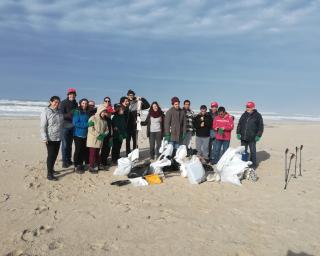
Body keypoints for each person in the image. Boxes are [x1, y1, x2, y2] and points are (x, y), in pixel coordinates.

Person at [40, 96, 64, 181]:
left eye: (58, 102)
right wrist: (44, 137)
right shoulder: (46, 111)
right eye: (55, 102)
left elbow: (62, 124)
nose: (56, 104)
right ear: (51, 102)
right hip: (50, 137)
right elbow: (43, 126)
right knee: (51, 155)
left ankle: (52, 170)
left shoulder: (59, 111)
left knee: (55, 154)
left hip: (58, 137)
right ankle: (49, 174)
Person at [236, 101, 264, 169]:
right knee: (243, 151)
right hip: (243, 137)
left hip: (252, 137)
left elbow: (261, 127)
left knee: (253, 151)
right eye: (246, 107)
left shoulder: (258, 115)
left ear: (253, 108)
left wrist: (258, 135)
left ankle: (253, 164)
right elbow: (239, 124)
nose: (247, 108)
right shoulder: (244, 114)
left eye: (248, 107)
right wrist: (238, 133)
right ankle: (244, 163)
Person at [126, 89, 150, 155]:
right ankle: (128, 154)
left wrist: (142, 98)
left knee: (135, 140)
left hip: (135, 125)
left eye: (132, 95)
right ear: (127, 96)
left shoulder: (137, 103)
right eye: (130, 95)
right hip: (127, 125)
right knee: (127, 141)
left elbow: (148, 105)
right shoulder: (126, 103)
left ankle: (135, 154)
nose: (131, 96)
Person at [86, 105, 109, 173]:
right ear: (99, 111)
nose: (104, 113)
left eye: (105, 112)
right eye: (103, 112)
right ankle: (91, 167)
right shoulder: (92, 118)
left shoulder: (104, 120)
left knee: (97, 153)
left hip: (100, 139)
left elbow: (107, 129)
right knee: (92, 154)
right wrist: (98, 135)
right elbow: (90, 128)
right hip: (93, 139)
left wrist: (104, 134)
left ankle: (98, 165)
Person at [59, 88, 78, 168]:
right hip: (65, 126)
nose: (72, 95)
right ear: (68, 95)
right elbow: (61, 115)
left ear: (75, 95)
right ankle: (64, 161)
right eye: (70, 94)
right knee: (65, 145)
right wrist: (70, 114)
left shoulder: (75, 103)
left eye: (73, 94)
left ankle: (69, 160)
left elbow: (76, 114)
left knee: (70, 145)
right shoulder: (63, 103)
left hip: (73, 126)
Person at [72, 98, 90, 174]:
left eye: (86, 103)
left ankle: (81, 164)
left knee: (83, 150)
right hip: (77, 134)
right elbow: (75, 123)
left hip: (85, 134)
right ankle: (76, 165)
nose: (84, 105)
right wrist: (87, 125)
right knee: (78, 150)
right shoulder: (76, 111)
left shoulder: (87, 112)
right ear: (80, 104)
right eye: (83, 103)